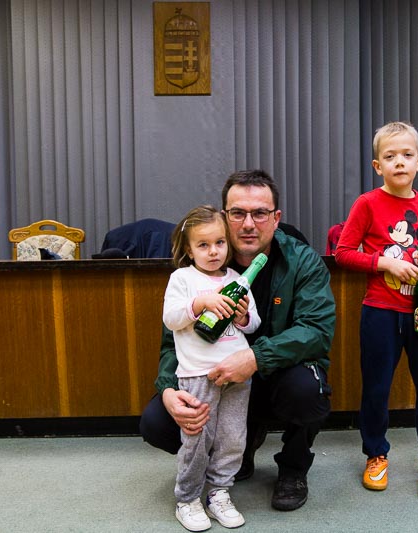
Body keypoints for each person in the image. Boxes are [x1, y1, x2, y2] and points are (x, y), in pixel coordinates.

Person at [140, 170, 335, 512]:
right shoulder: (204, 261)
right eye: (238, 213)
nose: (248, 224)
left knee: (307, 390)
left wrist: (255, 358)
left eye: (259, 213)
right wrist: (168, 390)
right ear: (224, 215)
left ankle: (293, 467)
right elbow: (173, 339)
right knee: (157, 423)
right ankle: (235, 451)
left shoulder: (302, 260)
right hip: (214, 379)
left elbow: (316, 331)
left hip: (277, 375)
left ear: (276, 218)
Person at [334, 121, 418, 500]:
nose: (399, 162)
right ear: (377, 166)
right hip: (380, 312)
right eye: (390, 156)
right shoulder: (367, 204)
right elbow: (343, 253)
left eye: (406, 155)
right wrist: (385, 263)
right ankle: (375, 454)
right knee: (376, 388)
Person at [163, 206, 260, 531]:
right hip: (197, 375)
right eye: (203, 245)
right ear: (189, 249)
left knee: (232, 438)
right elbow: (171, 319)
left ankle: (219, 492)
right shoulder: (182, 279)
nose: (213, 251)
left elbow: (254, 325)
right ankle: (188, 498)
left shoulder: (237, 280)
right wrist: (199, 304)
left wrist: (243, 316)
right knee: (197, 439)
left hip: (236, 375)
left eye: (219, 242)